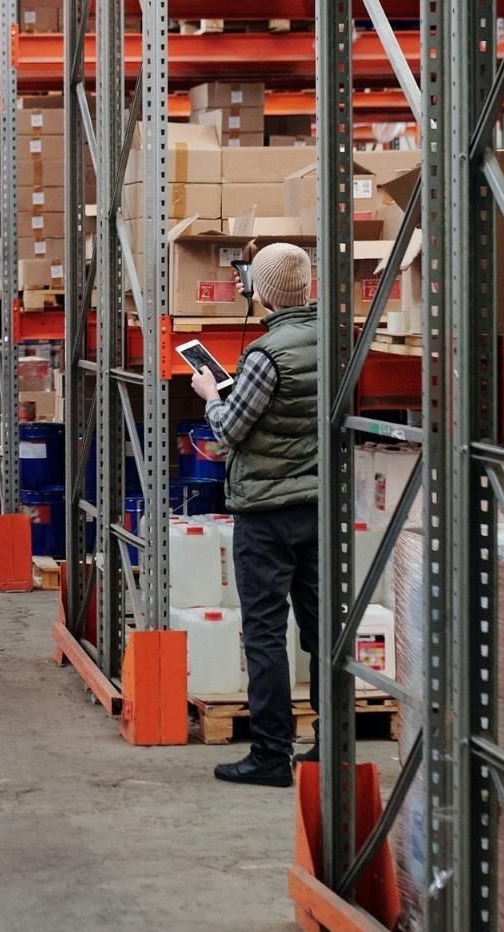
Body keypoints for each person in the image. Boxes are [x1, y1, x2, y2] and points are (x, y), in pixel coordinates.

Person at [189, 242, 320, 788]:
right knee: (321, 629)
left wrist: (210, 394)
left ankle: (271, 754)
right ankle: (330, 745)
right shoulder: (330, 339)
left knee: (265, 634)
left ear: (260, 292)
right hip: (318, 506)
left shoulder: (266, 356)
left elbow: (228, 430)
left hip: (266, 513)